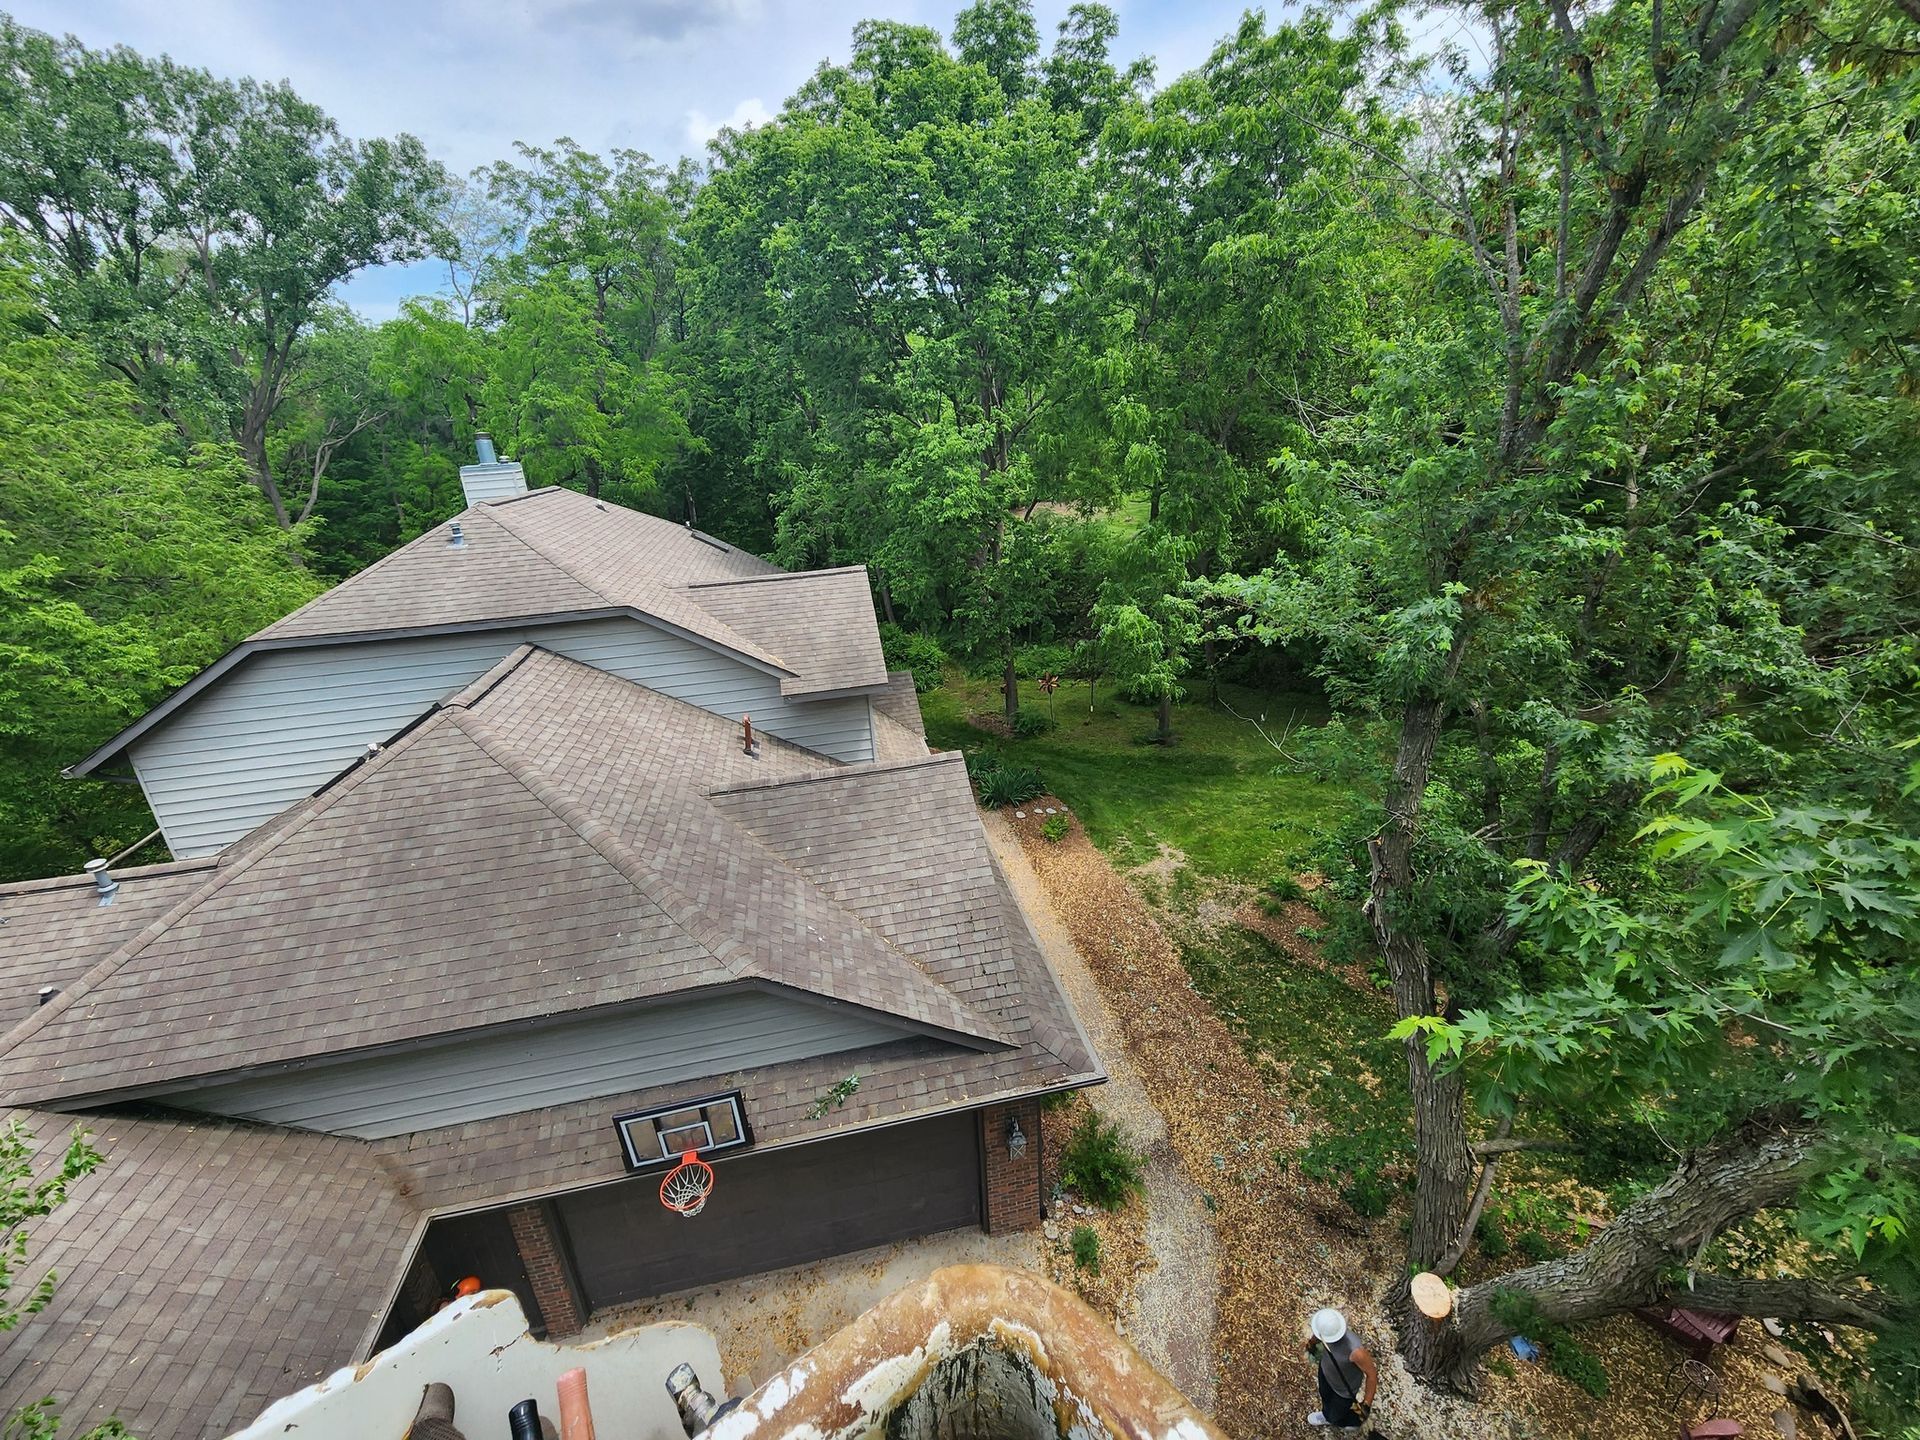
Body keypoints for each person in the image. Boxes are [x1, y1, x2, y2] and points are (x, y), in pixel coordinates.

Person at [1303, 1307, 1378, 1429]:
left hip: (1343, 1391)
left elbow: (1372, 1375)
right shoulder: (1325, 1332)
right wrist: (1311, 1344)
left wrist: (1366, 1404)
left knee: (1336, 1415)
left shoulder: (1356, 1351)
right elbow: (1318, 1335)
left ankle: (1350, 1422)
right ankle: (1327, 1414)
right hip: (1326, 1374)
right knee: (1325, 1396)